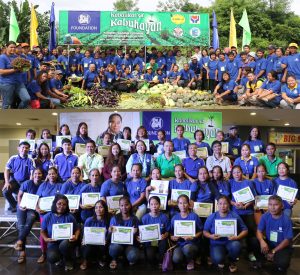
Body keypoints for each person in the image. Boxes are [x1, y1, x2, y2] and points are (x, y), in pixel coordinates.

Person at [203, 195, 248, 273]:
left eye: (225, 203)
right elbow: (205, 231)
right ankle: (221, 258)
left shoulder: (234, 215)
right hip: (216, 243)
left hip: (231, 242)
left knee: (236, 245)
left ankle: (232, 261)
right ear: (217, 205)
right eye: (220, 204)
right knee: (218, 259)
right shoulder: (212, 216)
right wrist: (211, 236)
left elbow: (245, 230)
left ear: (229, 205)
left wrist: (237, 237)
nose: (222, 206)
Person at [252, 195, 294, 272]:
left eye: (275, 205)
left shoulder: (286, 220)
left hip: (282, 246)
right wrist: (262, 242)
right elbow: (259, 231)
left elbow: (287, 240)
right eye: (270, 204)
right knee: (254, 241)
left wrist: (273, 251)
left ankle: (276, 260)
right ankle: (261, 260)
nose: (272, 207)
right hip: (270, 244)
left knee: (282, 264)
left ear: (282, 206)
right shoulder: (265, 216)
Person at [41, 194, 80, 271]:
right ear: (55, 204)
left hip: (67, 243)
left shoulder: (70, 216)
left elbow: (77, 229)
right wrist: (45, 239)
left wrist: (76, 237)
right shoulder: (47, 216)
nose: (61, 206)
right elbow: (42, 231)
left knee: (64, 244)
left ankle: (68, 260)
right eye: (59, 204)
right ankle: (59, 257)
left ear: (67, 206)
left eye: (64, 204)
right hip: (53, 243)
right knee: (52, 258)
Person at [15, 168, 43, 263]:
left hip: (33, 208)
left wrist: (37, 209)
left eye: (39, 173)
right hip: (22, 206)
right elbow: (19, 195)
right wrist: (19, 205)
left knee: (32, 217)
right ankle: (22, 252)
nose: (37, 175)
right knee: (20, 226)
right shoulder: (27, 183)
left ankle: (19, 241)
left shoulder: (43, 185)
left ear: (42, 175)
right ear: (33, 174)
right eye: (35, 173)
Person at [229, 165, 257, 262]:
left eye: (238, 172)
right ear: (232, 174)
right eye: (234, 172)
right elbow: (227, 199)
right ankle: (236, 252)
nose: (237, 174)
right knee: (235, 232)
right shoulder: (230, 183)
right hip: (235, 212)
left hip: (248, 211)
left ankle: (250, 252)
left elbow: (254, 198)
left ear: (242, 172)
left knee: (251, 232)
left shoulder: (248, 182)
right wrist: (234, 203)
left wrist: (245, 205)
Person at [36, 167, 62, 263]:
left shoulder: (60, 185)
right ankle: (43, 253)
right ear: (47, 175)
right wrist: (37, 208)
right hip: (44, 213)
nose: (52, 175)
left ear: (57, 175)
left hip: (57, 214)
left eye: (53, 174)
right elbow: (37, 199)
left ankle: (57, 252)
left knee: (56, 231)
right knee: (43, 232)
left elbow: (63, 200)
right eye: (50, 174)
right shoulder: (43, 185)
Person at [170, 195, 203, 270]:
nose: (183, 205)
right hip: (180, 244)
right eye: (180, 203)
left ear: (188, 204)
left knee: (188, 249)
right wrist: (172, 237)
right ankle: (186, 257)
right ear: (178, 205)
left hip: (192, 244)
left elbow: (201, 231)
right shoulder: (175, 218)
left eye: (185, 203)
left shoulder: (194, 216)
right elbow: (171, 233)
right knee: (176, 259)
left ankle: (191, 260)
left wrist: (193, 236)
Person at [108, 196, 140, 269]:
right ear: (119, 206)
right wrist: (110, 231)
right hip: (118, 244)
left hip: (131, 245)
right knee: (114, 249)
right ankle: (114, 259)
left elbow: (139, 235)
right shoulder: (114, 218)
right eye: (122, 205)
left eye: (126, 205)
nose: (124, 207)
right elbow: (109, 236)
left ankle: (126, 255)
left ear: (130, 205)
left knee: (133, 257)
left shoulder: (135, 219)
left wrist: (137, 231)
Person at [3, 141, 35, 212]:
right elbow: (6, 170)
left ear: (28, 149)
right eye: (22, 147)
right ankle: (14, 206)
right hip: (14, 181)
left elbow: (32, 173)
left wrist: (29, 184)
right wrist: (7, 182)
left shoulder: (30, 160)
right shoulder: (13, 158)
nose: (24, 149)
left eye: (26, 148)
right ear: (18, 148)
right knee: (5, 192)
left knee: (27, 194)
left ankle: (22, 207)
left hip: (25, 182)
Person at [80, 199, 110, 270]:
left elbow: (109, 235)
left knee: (105, 246)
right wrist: (83, 240)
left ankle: (100, 259)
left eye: (101, 207)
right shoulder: (89, 220)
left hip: (102, 243)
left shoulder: (109, 221)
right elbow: (84, 234)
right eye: (96, 207)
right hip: (90, 243)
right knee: (86, 246)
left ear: (105, 209)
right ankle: (85, 260)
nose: (98, 209)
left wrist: (106, 240)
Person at [0, 41, 30, 109]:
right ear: (6, 47)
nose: (13, 49)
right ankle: (4, 119)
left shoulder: (16, 57)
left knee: (26, 99)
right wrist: (16, 70)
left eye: (14, 47)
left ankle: (18, 112)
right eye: (11, 47)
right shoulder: (2, 57)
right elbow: (1, 72)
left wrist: (25, 67)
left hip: (19, 83)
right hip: (7, 83)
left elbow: (23, 69)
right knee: (7, 104)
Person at [140, 196, 170, 265]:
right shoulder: (145, 218)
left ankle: (161, 260)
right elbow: (141, 232)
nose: (154, 206)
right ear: (149, 206)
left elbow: (168, 231)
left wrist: (165, 235)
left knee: (162, 248)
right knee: (150, 258)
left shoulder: (164, 217)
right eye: (152, 204)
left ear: (159, 205)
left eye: (156, 204)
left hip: (161, 240)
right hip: (149, 241)